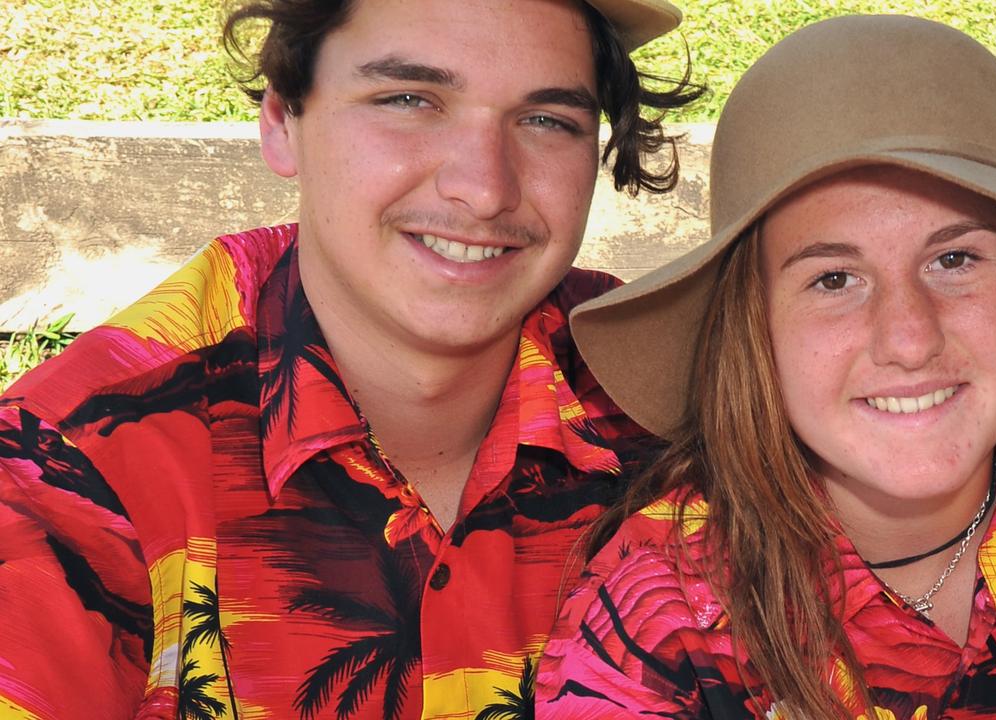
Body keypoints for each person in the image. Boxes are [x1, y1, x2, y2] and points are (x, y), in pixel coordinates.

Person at [535, 14, 996, 720]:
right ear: (752, 332)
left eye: (953, 259)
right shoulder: (655, 613)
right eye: (833, 279)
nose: (908, 339)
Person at [0, 0, 701, 717]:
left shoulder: (689, 409)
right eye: (407, 100)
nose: (485, 188)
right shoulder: (69, 461)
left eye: (547, 120)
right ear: (280, 123)